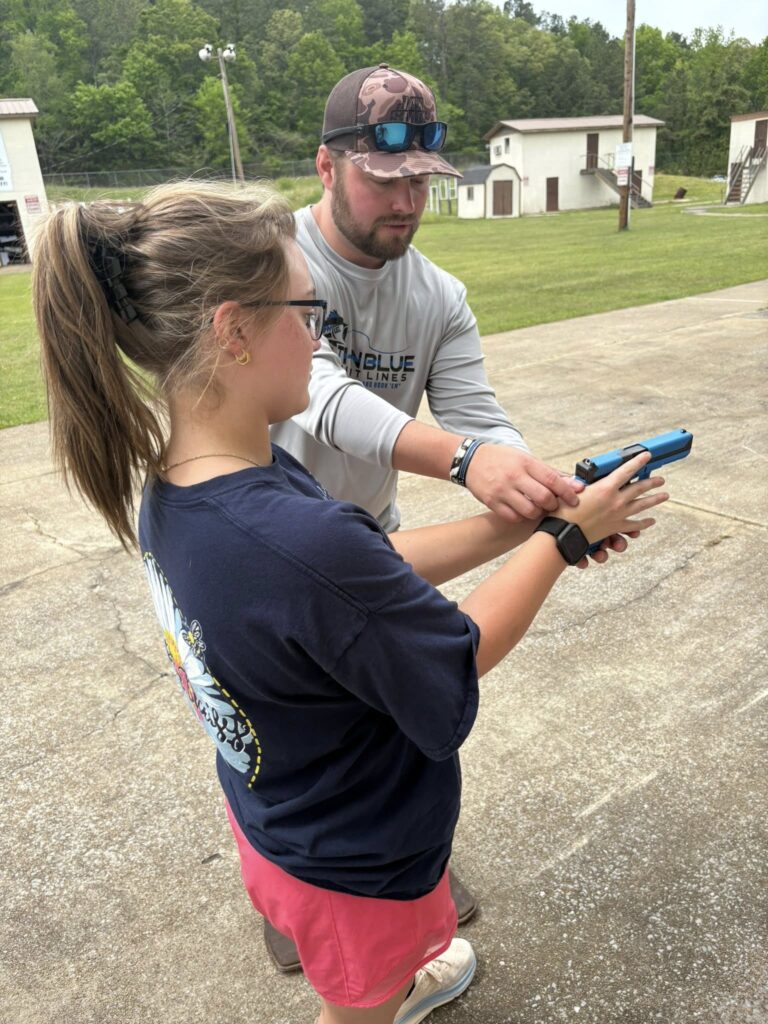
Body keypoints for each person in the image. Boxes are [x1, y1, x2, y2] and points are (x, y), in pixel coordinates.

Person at [33, 180, 668, 1024]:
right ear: (233, 331)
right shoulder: (295, 535)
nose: (320, 338)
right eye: (307, 313)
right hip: (357, 866)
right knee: (354, 1005)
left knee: (364, 976)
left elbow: (360, 576)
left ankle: (393, 983)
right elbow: (454, 652)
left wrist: (512, 529)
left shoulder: (188, 487)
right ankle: (383, 995)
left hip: (280, 816)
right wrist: (566, 543)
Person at [271, 63, 584, 534]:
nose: (406, 204)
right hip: (271, 537)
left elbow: (478, 420)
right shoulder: (275, 260)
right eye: (382, 181)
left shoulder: (441, 297)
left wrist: (547, 491)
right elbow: (322, 399)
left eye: (418, 181)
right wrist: (464, 461)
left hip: (373, 537)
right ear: (325, 168)